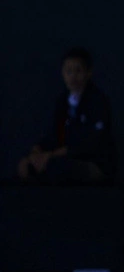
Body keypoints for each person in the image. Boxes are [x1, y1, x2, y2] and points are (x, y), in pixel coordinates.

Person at [16, 47, 115, 185]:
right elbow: (55, 135)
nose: (73, 76)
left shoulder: (98, 101)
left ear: (88, 73)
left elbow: (91, 143)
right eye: (68, 71)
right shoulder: (62, 101)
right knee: (26, 165)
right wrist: (36, 152)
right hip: (62, 158)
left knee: (56, 167)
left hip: (93, 163)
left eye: (78, 71)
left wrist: (51, 156)